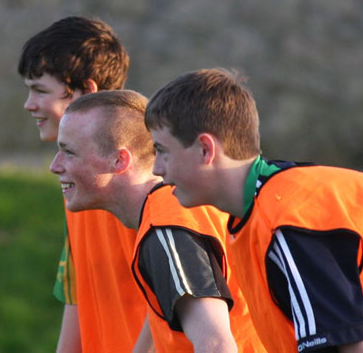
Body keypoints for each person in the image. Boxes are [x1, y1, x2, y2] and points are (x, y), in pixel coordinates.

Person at [144, 67, 363, 353]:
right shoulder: (266, 208)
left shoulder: (288, 220)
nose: (157, 169)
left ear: (205, 150)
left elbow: (358, 348)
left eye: (162, 151)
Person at [50, 90, 266, 353]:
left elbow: (216, 344)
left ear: (119, 160)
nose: (55, 165)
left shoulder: (166, 228)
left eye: (69, 152)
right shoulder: (168, 213)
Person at [17, 16, 147, 353]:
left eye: (39, 90)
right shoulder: (75, 181)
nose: (28, 104)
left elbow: (176, 304)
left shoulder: (146, 180)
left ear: (86, 91)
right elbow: (78, 296)